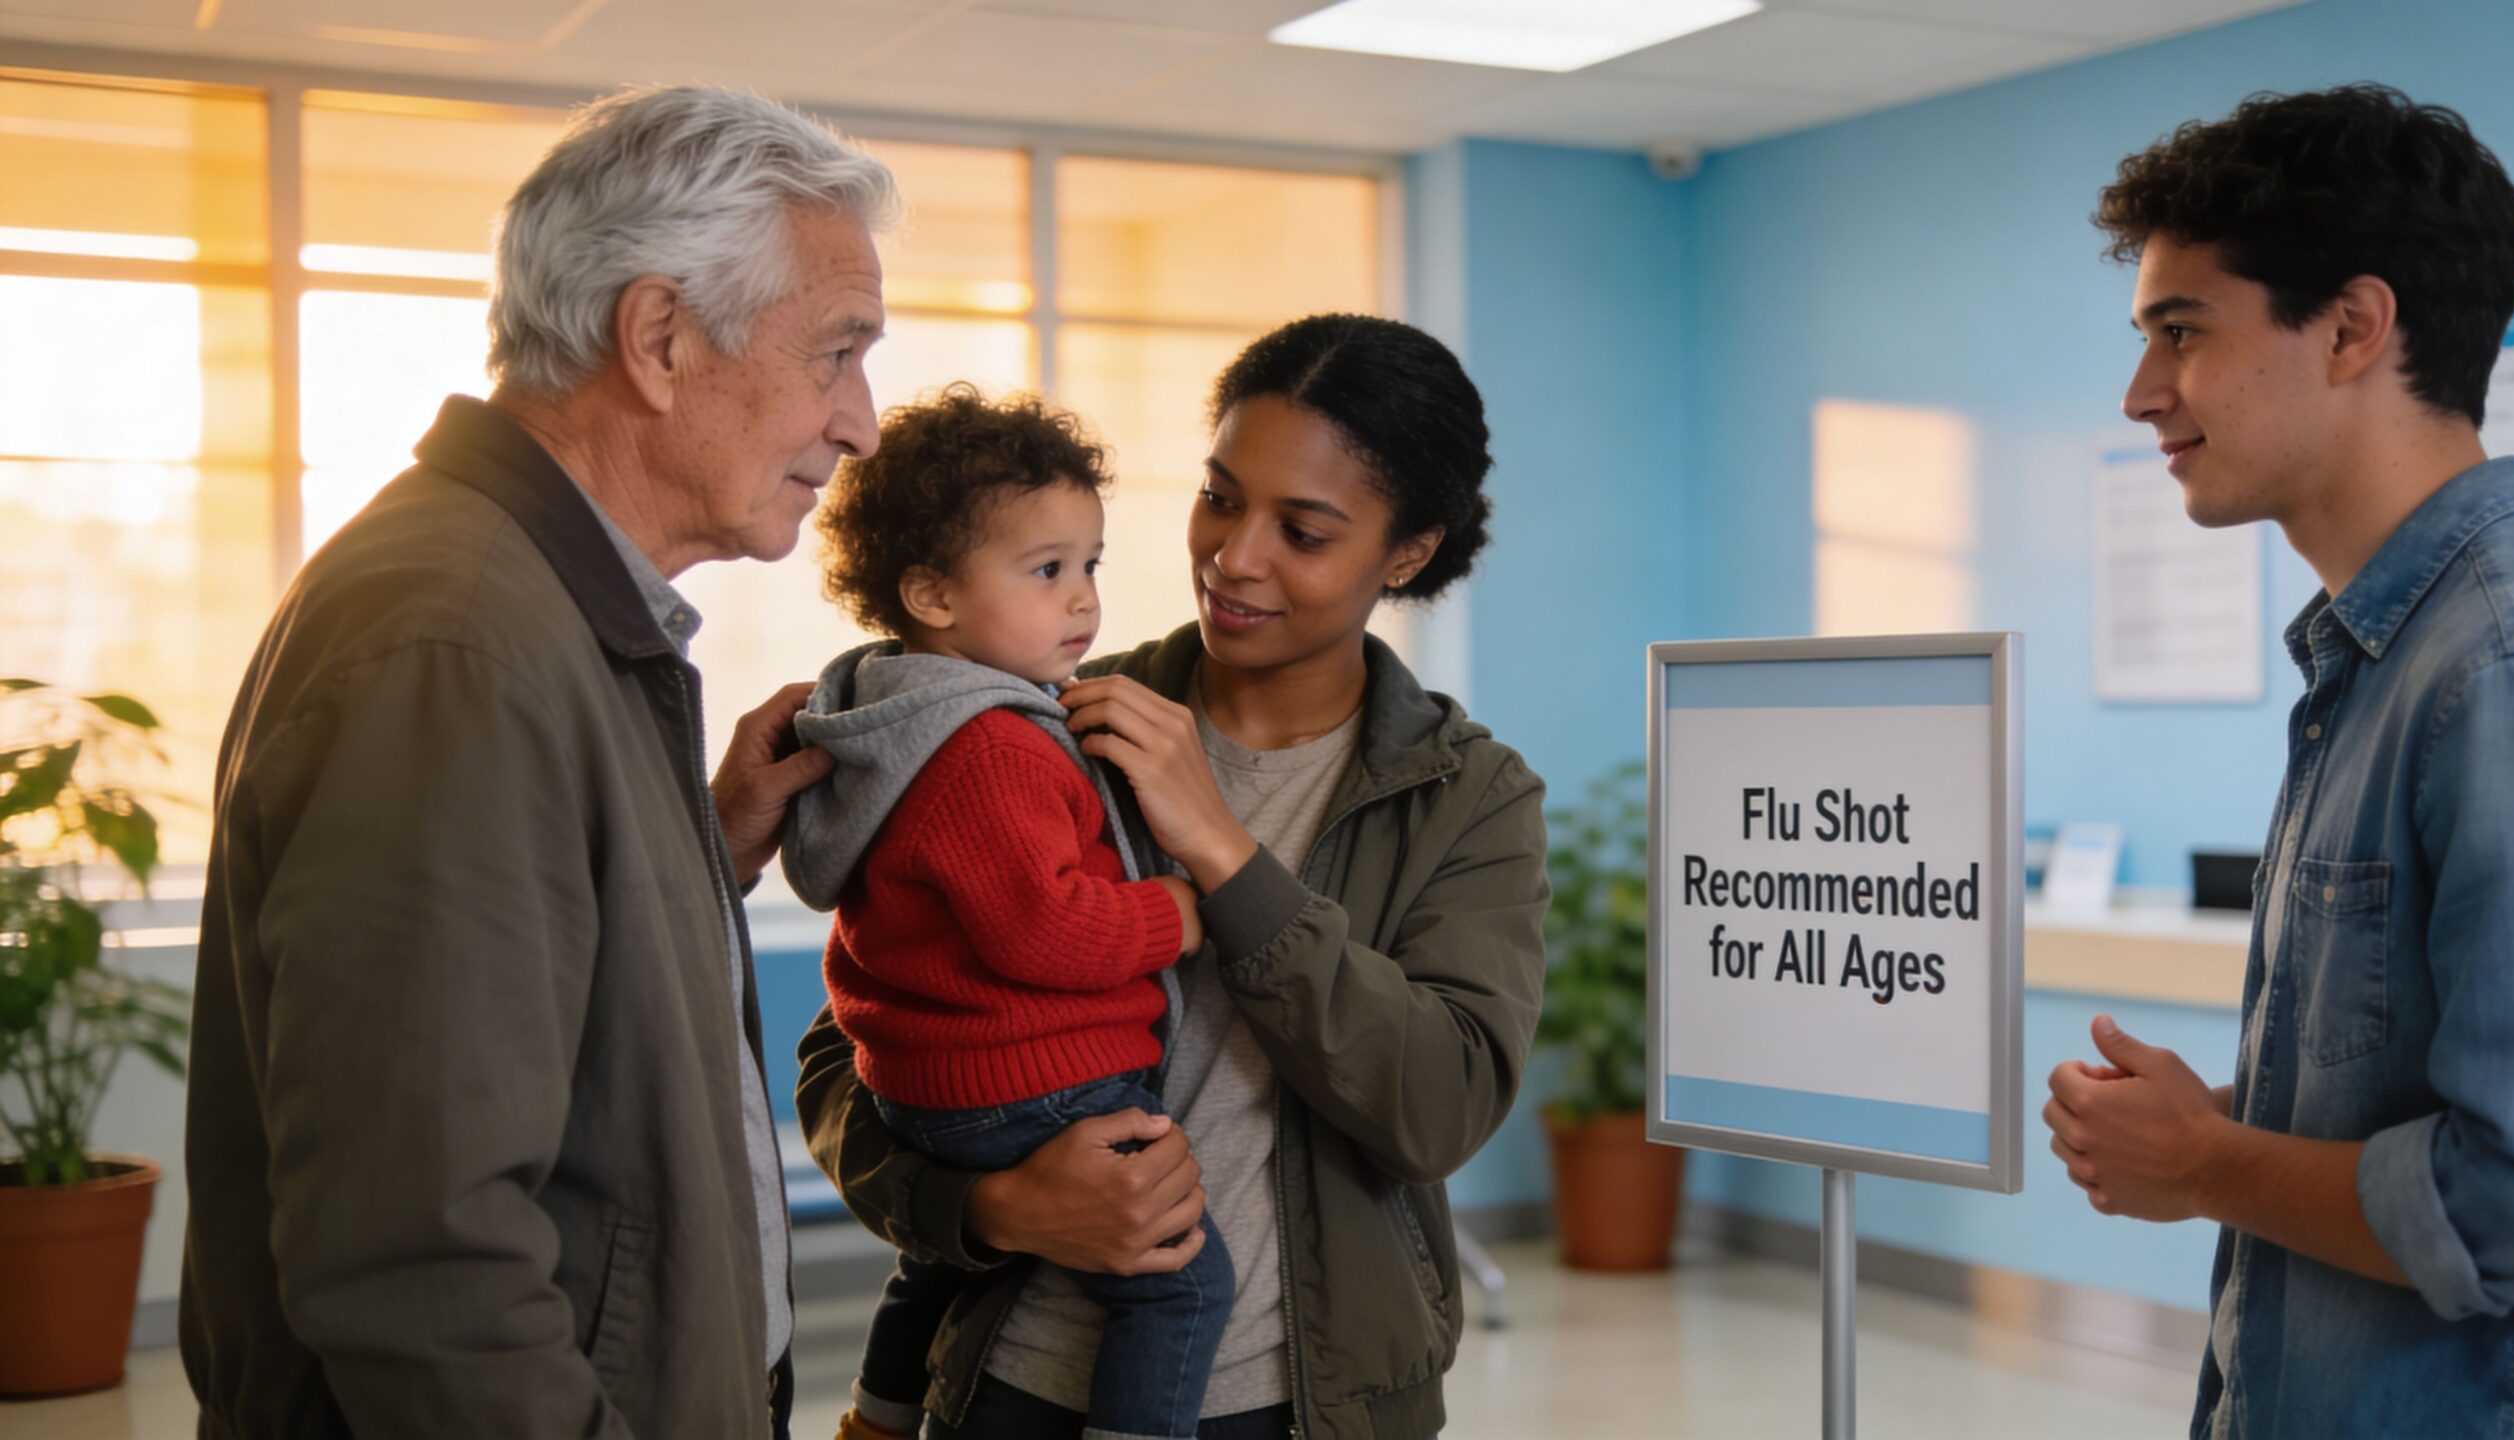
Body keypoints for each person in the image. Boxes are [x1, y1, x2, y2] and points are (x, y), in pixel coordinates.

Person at [180, 84, 893, 1438]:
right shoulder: (454, 645)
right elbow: (425, 1268)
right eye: (837, 353)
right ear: (662, 338)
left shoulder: (525, 611)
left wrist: (692, 850)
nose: (860, 422)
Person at [796, 313, 1550, 1440]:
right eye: (1219, 495)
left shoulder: (1470, 798)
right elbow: (846, 1054)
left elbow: (1435, 1108)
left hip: (1303, 1403)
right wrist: (989, 1207)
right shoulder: (1028, 715)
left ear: (1407, 553)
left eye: (1302, 531)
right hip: (1011, 1380)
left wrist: (1229, 857)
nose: (1234, 556)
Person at [2047, 84, 2514, 1437]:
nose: (2141, 392)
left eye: (2182, 331)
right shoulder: (2379, 658)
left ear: (2351, 329)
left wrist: (2211, 1162)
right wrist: (2228, 1129)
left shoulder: (2505, 673)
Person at [777, 384, 1229, 1440]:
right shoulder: (992, 745)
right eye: (1046, 571)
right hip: (1030, 1085)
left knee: (934, 1265)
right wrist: (1176, 910)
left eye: (1090, 566)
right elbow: (1050, 931)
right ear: (932, 593)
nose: (1084, 603)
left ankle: (877, 1420)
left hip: (927, 1091)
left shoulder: (890, 717)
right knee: (1183, 1286)